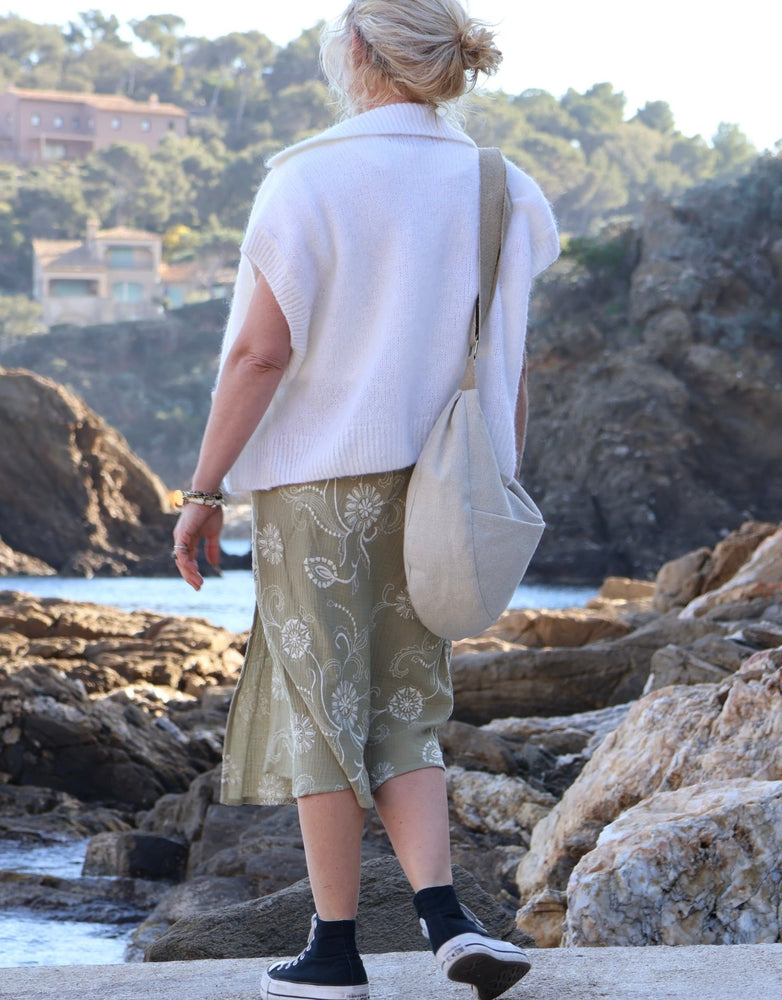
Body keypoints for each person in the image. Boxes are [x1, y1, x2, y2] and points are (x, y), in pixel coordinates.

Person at [171, 2, 559, 999]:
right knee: (406, 705)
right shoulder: (501, 185)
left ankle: (335, 950)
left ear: (357, 53)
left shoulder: (308, 178)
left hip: (317, 488)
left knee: (323, 708)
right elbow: (510, 365)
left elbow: (261, 354)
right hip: (440, 486)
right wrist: (497, 480)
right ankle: (447, 919)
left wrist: (205, 488)